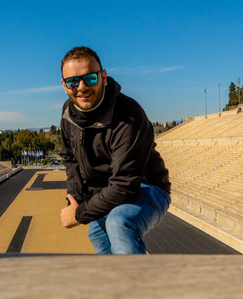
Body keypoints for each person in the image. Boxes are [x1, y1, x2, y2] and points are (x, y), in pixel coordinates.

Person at [59, 46, 171, 254]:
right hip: (106, 194)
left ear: (103, 77)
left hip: (146, 186)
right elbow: (69, 158)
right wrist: (76, 198)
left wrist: (79, 213)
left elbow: (124, 185)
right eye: (73, 81)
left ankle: (135, 284)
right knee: (98, 236)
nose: (81, 87)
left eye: (89, 78)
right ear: (64, 85)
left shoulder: (128, 115)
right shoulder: (68, 113)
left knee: (119, 223)